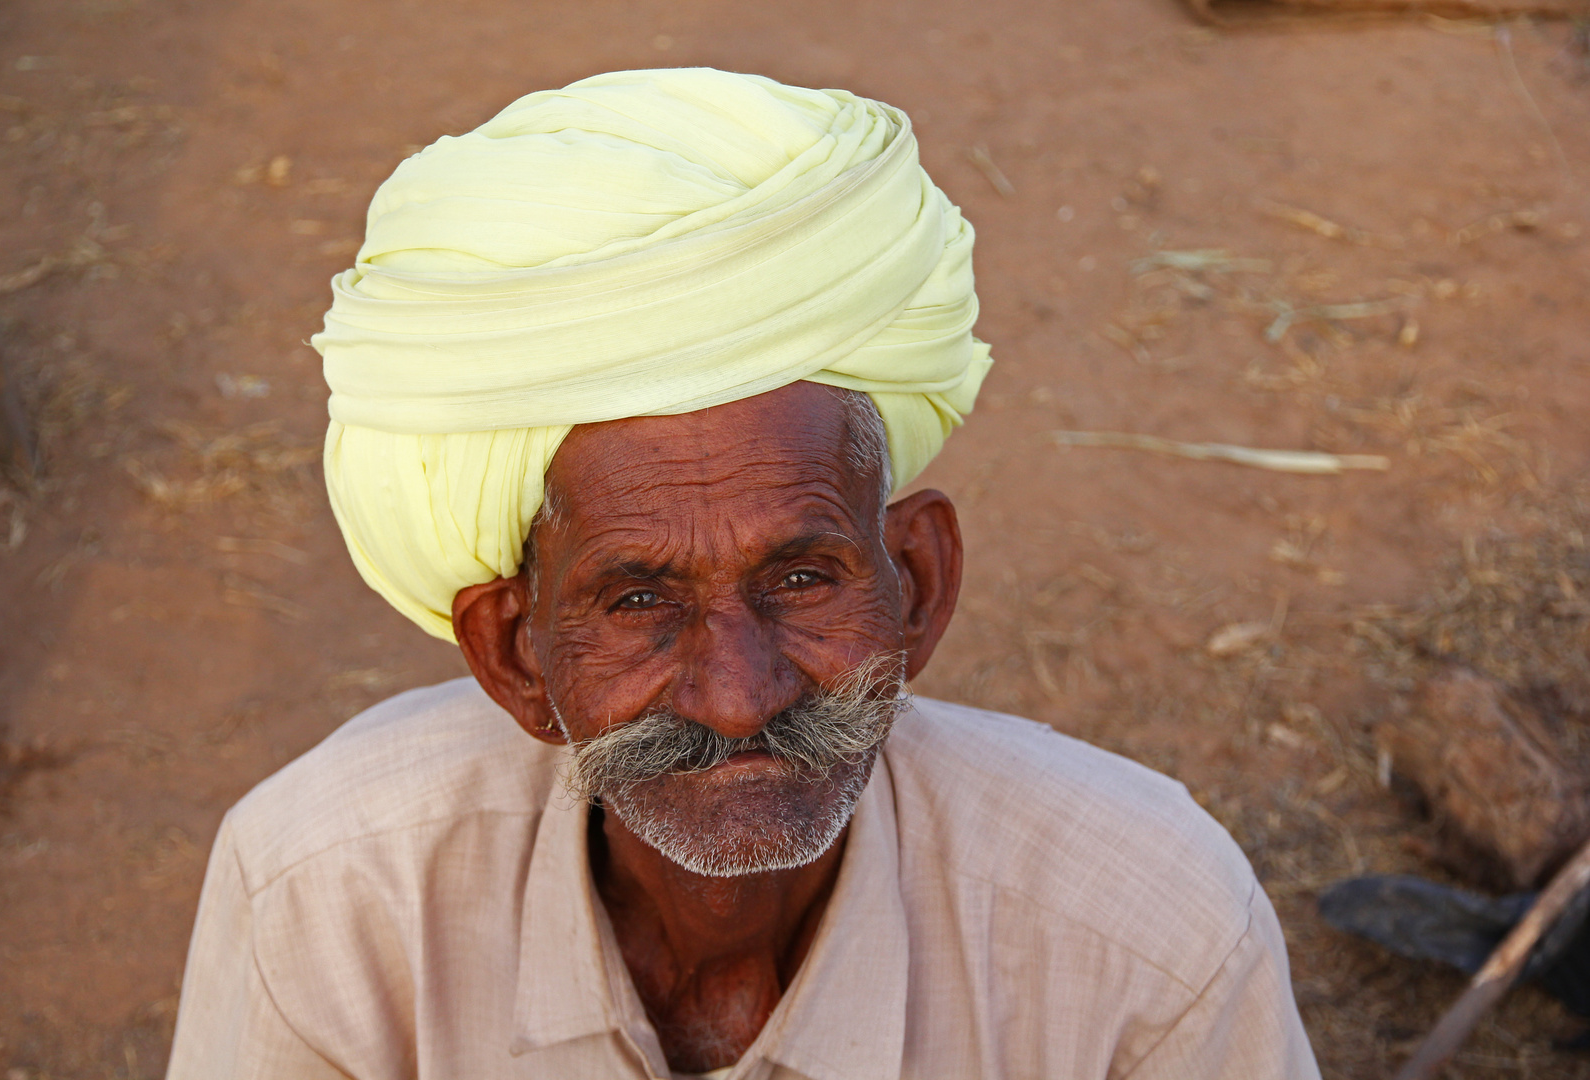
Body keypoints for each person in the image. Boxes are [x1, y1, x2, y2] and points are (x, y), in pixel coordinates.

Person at [167, 68, 1320, 1080]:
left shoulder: (1145, 930)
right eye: (638, 604)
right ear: (516, 656)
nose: (739, 695)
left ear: (915, 583)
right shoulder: (327, 897)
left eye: (804, 580)